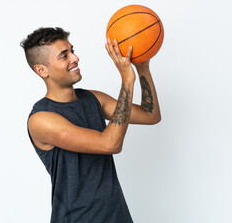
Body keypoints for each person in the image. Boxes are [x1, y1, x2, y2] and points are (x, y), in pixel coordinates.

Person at [20, 27, 161, 223]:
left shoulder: (93, 99)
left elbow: (150, 114)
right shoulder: (42, 119)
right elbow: (110, 144)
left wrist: (142, 68)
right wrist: (127, 80)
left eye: (72, 50)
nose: (75, 58)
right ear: (42, 70)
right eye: (64, 56)